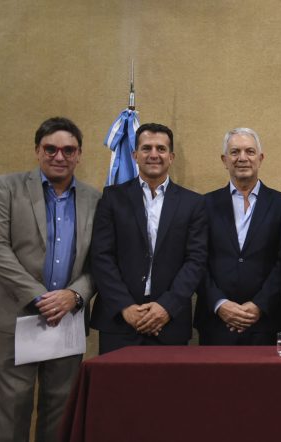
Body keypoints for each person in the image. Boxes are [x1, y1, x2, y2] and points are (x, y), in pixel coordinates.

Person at [0, 117, 101, 441]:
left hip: (66, 319)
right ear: (37, 150)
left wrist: (74, 295)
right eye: (51, 149)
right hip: (17, 318)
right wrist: (40, 296)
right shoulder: (7, 188)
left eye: (68, 150)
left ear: (79, 154)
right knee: (13, 407)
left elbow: (101, 260)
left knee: (60, 408)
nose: (60, 156)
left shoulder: (93, 199)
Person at [90, 123, 207, 354]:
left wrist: (166, 307)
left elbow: (196, 260)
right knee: (117, 391)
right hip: (120, 322)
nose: (154, 154)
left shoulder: (193, 203)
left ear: (171, 157)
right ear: (135, 155)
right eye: (146, 148)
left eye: (161, 149)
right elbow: (101, 257)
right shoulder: (112, 198)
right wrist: (126, 307)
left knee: (169, 391)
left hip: (169, 321)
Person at [195, 128, 281, 345]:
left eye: (250, 151)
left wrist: (259, 305)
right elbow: (195, 260)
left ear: (260, 158)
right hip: (215, 322)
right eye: (235, 152)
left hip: (266, 321)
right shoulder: (203, 205)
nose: (243, 158)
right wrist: (220, 303)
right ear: (224, 160)